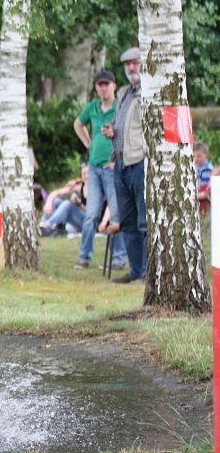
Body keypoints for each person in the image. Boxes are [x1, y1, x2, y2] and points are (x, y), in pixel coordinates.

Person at [72, 70, 127, 270]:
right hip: (94, 168)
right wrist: (89, 143)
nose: (103, 88)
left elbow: (127, 131)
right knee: (91, 214)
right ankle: (84, 257)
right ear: (96, 88)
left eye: (106, 84)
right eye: (100, 85)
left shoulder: (119, 107)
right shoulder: (93, 107)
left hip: (112, 167)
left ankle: (118, 259)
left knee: (116, 215)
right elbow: (78, 124)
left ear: (114, 86)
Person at [102, 47, 147, 283]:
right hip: (119, 162)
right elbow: (124, 125)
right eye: (127, 64)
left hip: (138, 162)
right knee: (128, 222)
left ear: (144, 64)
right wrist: (112, 129)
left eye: (135, 63)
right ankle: (136, 271)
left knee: (144, 221)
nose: (131, 67)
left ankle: (147, 273)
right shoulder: (124, 93)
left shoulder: (149, 92)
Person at [40, 164, 89, 236]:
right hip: (77, 219)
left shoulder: (96, 188)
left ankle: (48, 225)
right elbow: (55, 193)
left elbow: (93, 213)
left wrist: (79, 204)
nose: (86, 176)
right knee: (56, 201)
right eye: (84, 174)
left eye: (88, 173)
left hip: (88, 222)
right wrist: (48, 203)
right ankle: (42, 223)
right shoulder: (79, 186)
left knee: (68, 204)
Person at [193, 142, 212, 212]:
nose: (196, 159)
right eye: (194, 156)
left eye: (199, 156)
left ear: (206, 156)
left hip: (204, 197)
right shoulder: (194, 167)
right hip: (197, 195)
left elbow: (209, 185)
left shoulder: (208, 168)